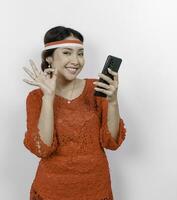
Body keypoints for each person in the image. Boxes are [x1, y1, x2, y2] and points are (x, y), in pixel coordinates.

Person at [22, 26, 127, 200]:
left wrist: (113, 101)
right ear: (49, 57)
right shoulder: (35, 97)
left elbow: (112, 142)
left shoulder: (97, 89)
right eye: (67, 53)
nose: (76, 61)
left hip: (96, 189)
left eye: (80, 53)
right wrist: (48, 97)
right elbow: (43, 149)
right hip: (52, 191)